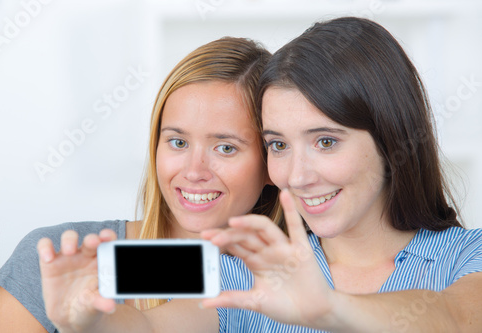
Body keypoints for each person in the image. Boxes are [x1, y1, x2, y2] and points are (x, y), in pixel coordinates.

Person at [200, 17, 482, 332]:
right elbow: (147, 323)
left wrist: (329, 307)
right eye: (278, 145)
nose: (297, 177)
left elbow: (457, 317)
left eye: (326, 142)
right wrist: (133, 235)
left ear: (390, 138)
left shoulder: (468, 255)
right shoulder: (244, 274)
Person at [0, 36, 281, 332]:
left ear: (272, 162)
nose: (193, 171)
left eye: (225, 148)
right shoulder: (55, 259)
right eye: (178, 142)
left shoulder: (290, 283)